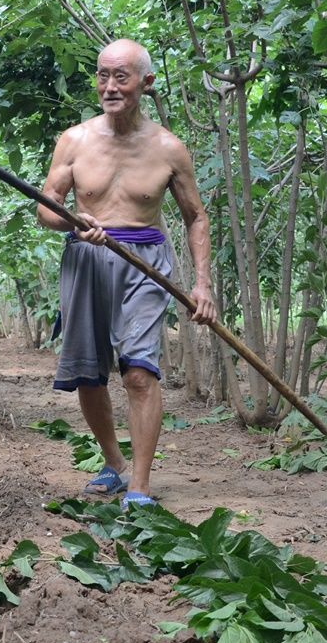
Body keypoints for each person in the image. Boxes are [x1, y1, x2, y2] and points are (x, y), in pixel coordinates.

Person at [37, 39, 217, 509]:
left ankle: (139, 487)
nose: (110, 86)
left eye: (121, 76)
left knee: (139, 372)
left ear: (146, 83)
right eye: (103, 75)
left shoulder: (168, 148)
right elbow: (46, 208)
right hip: (86, 260)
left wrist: (202, 283)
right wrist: (75, 221)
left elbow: (196, 216)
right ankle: (113, 464)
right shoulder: (75, 140)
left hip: (145, 263)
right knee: (90, 373)